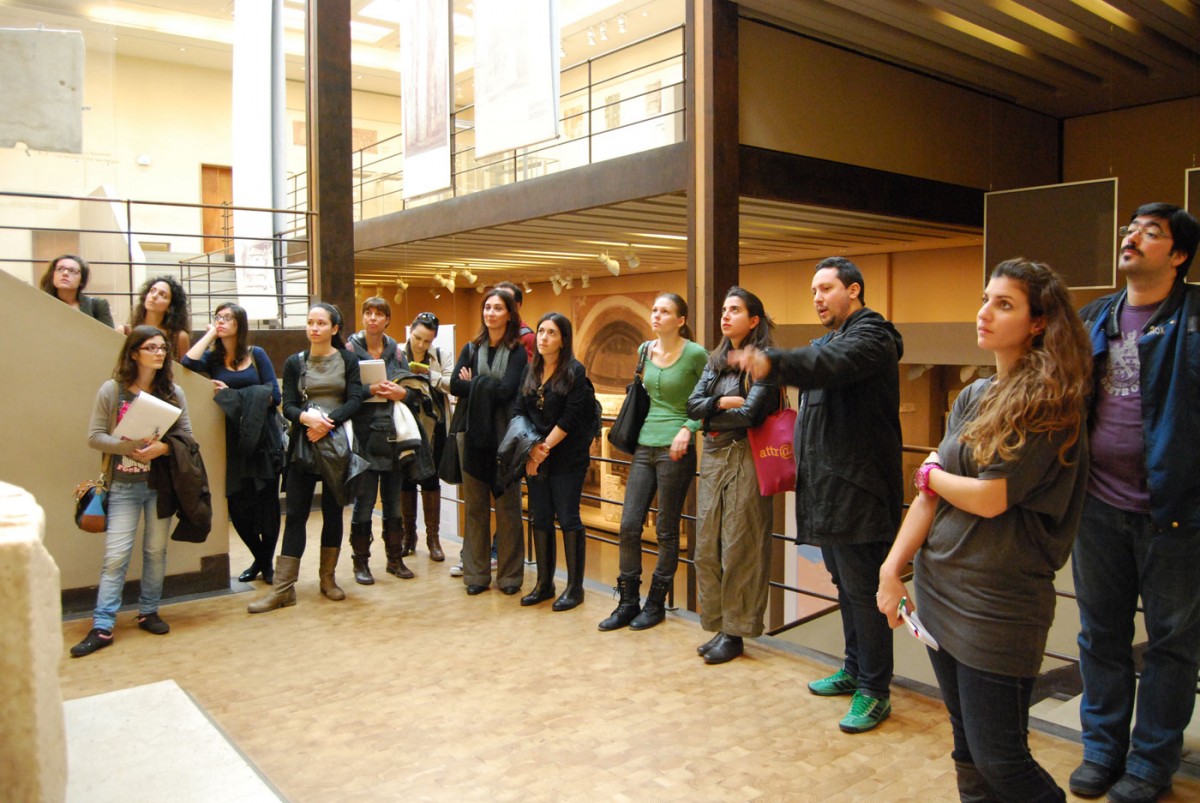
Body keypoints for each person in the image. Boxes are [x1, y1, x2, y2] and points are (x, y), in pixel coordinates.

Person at [876, 258, 1092, 801]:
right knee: (969, 750)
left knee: (1002, 758)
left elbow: (992, 499)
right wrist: (890, 568)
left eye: (1005, 304)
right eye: (985, 299)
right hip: (941, 587)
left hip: (998, 603)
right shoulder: (972, 396)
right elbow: (930, 496)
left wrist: (931, 473)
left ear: (1039, 322)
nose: (985, 313)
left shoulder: (1051, 402)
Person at [735, 257, 903, 733]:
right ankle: (854, 669)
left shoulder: (872, 338)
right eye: (813, 290)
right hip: (829, 491)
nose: (817, 298)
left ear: (854, 290)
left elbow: (828, 366)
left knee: (865, 592)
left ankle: (875, 690)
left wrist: (775, 360)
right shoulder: (831, 340)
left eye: (826, 288)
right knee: (846, 589)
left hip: (859, 493)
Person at [1068, 203, 1200, 803]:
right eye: (1129, 229)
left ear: (1178, 256)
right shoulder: (1096, 315)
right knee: (1100, 635)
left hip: (1176, 512)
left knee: (1172, 642)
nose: (1132, 237)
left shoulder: (1195, 316)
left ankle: (1150, 763)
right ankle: (1102, 750)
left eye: (1151, 233)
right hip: (1097, 505)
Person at [72, 326, 193, 657]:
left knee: (155, 552)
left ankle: (149, 611)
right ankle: (102, 625)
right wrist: (128, 447)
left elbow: (187, 438)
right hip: (123, 486)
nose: (159, 353)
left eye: (163, 348)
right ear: (134, 352)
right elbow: (95, 436)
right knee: (116, 557)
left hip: (160, 487)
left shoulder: (173, 392)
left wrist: (163, 449)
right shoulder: (112, 391)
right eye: (151, 347)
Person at [599, 293, 706, 631]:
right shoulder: (645, 350)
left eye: (665, 311)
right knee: (629, 526)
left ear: (681, 320)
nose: (657, 315)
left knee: (666, 529)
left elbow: (710, 398)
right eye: (655, 310)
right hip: (644, 446)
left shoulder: (695, 354)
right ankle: (628, 601)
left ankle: (656, 603)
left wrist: (690, 428)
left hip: (676, 449)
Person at [248, 302, 364, 613]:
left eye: (321, 323)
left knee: (332, 512)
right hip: (303, 444)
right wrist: (307, 419)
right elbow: (286, 405)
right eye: (310, 322)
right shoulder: (295, 362)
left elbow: (356, 399)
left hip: (336, 445)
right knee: (296, 514)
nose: (314, 328)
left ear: (334, 328)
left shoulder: (348, 360)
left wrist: (327, 423)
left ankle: (328, 579)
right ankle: (284, 588)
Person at [685, 287, 779, 665]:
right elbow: (691, 404)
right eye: (724, 309)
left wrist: (707, 415)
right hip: (713, 455)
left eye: (735, 310)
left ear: (753, 320)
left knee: (740, 544)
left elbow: (752, 415)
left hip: (747, 456)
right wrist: (721, 403)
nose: (725, 316)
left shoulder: (766, 360)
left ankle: (736, 631)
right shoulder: (716, 359)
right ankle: (719, 624)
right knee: (707, 544)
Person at [182, 303, 282, 584]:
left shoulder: (256, 354)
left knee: (268, 505)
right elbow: (187, 363)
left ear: (240, 323)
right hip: (233, 442)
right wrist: (209, 334)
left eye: (227, 318)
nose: (221, 322)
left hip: (263, 440)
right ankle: (263, 561)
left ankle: (266, 566)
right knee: (238, 509)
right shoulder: (212, 359)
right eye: (218, 317)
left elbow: (274, 395)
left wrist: (234, 395)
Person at [515, 312, 598, 611]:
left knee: (568, 517)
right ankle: (544, 583)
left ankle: (575, 588)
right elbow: (520, 410)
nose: (543, 338)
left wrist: (542, 450)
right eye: (540, 331)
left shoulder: (574, 371)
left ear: (563, 339)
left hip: (566, 456)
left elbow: (570, 418)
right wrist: (530, 450)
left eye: (551, 332)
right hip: (535, 455)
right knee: (539, 517)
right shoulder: (531, 370)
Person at [449, 290, 528, 596]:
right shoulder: (471, 348)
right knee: (475, 509)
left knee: (508, 509)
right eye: (487, 307)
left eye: (498, 308)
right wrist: (478, 385)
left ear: (509, 314)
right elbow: (456, 384)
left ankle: (509, 577)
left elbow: (508, 391)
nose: (491, 313)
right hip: (472, 438)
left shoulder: (518, 351)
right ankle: (476, 575)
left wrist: (475, 383)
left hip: (505, 439)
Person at [346, 297, 414, 583]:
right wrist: (367, 389)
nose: (373, 318)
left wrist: (402, 393)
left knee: (393, 501)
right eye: (368, 313)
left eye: (379, 314)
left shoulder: (397, 352)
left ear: (387, 319)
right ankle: (360, 563)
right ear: (362, 317)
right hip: (362, 433)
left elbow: (411, 387)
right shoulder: (349, 350)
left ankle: (395, 559)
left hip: (392, 432)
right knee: (364, 502)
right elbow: (343, 389)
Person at [400, 311, 454, 563]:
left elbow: (453, 384)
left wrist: (427, 375)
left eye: (427, 341)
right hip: (404, 425)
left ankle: (433, 538)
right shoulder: (397, 353)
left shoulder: (441, 356)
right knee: (405, 480)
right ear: (410, 331)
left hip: (434, 427)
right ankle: (408, 536)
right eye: (418, 338)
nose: (421, 344)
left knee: (431, 480)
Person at [39, 254, 116, 327]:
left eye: (72, 271)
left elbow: (108, 338)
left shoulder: (97, 306)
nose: (65, 273)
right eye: (60, 269)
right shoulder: (42, 305)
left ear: (81, 281)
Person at [126, 275, 191, 358]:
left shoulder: (179, 337)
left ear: (170, 307)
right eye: (152, 291)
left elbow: (183, 370)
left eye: (162, 295)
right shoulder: (126, 331)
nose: (154, 296)